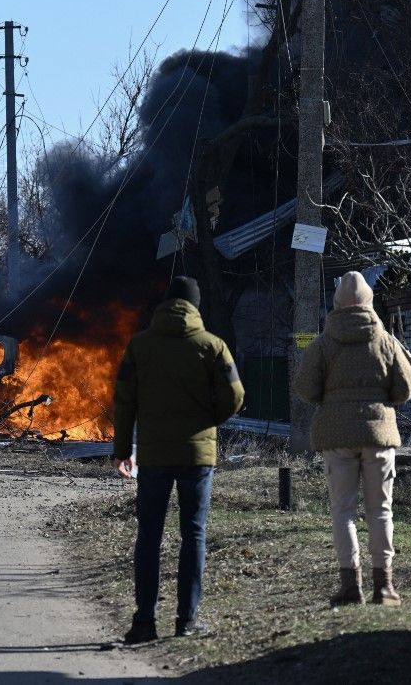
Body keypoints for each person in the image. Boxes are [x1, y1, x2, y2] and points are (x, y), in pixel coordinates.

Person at [112, 276, 245, 645]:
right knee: (194, 534)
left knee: (149, 536)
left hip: (153, 456)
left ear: (165, 304)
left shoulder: (139, 346)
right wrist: (208, 421)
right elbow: (236, 394)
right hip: (197, 457)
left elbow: (123, 400)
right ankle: (186, 620)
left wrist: (122, 449)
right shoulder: (213, 346)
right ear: (196, 307)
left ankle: (143, 623)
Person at [294, 271, 411, 607]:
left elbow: (305, 389)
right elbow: (406, 388)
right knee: (380, 511)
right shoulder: (386, 341)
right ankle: (385, 586)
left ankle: (351, 587)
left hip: (336, 435)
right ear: (369, 301)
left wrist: (331, 397)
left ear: (336, 304)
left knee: (343, 511)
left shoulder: (322, 343)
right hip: (379, 435)